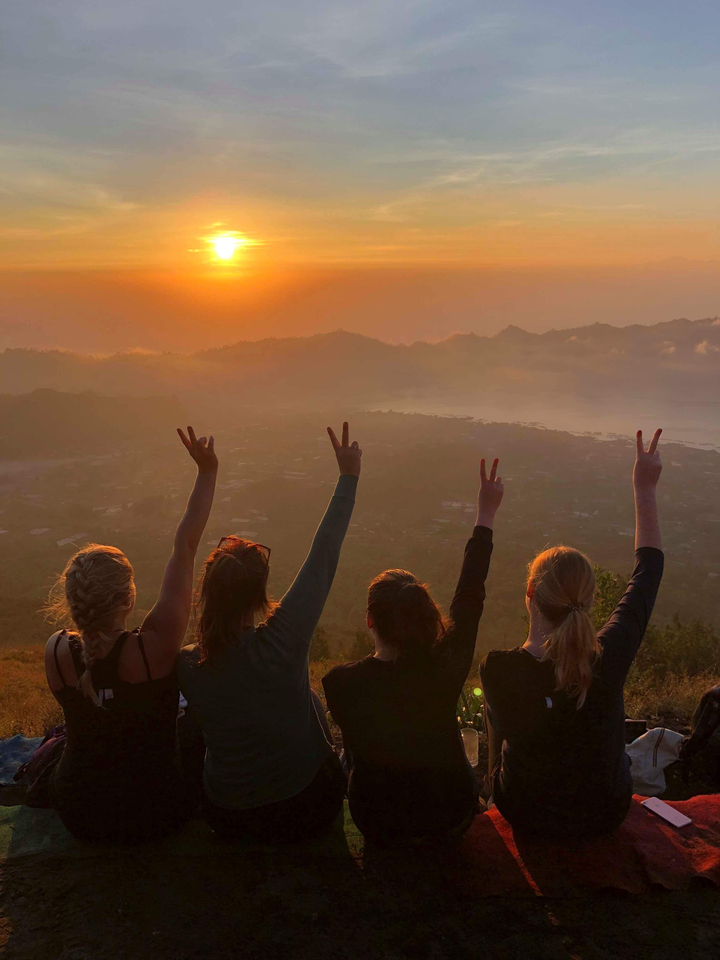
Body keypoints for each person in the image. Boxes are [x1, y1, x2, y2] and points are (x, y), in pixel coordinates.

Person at [178, 422, 361, 843]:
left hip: (230, 820)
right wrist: (348, 476)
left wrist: (206, 474)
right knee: (309, 697)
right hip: (307, 809)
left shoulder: (188, 662)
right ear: (260, 595)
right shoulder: (282, 642)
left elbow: (182, 548)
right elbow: (323, 556)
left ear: (206, 594)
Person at [480, 429, 664, 839]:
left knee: (497, 732)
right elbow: (647, 572)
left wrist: (486, 513)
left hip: (527, 814)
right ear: (590, 598)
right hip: (604, 814)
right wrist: (644, 486)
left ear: (529, 594)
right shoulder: (608, 656)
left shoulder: (499, 669)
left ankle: (489, 794)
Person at [43, 427, 218, 842]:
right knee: (196, 726)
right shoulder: (150, 650)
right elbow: (185, 548)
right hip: (156, 814)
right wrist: (208, 471)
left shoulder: (57, 652)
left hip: (79, 812)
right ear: (128, 598)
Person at [323, 456, 504, 845]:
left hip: (377, 822)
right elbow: (469, 595)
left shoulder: (339, 685)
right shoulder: (445, 665)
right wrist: (485, 513)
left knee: (343, 756)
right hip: (448, 816)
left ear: (370, 620)